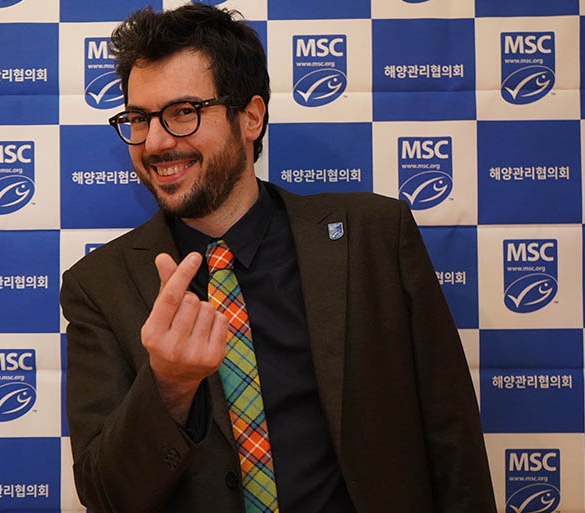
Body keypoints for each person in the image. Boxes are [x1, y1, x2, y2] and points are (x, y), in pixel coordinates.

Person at [60, 4, 496, 513]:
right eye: (138, 118)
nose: (155, 141)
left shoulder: (374, 236)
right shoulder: (99, 285)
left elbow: (453, 440)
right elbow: (106, 494)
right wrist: (170, 386)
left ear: (251, 116)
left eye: (183, 112)